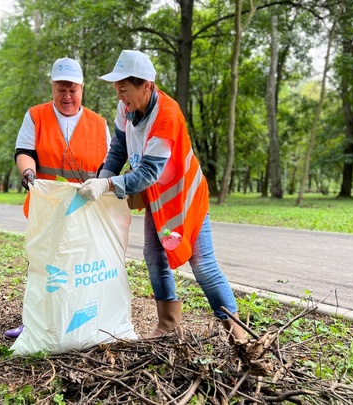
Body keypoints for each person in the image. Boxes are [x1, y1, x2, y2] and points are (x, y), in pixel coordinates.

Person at [78, 50, 246, 343]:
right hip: (159, 199)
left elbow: (147, 174)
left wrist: (106, 187)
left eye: (124, 89)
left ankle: (238, 333)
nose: (120, 96)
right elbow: (118, 148)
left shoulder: (167, 115)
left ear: (146, 84)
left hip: (185, 198)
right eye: (116, 89)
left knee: (202, 264)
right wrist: (103, 178)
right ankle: (168, 325)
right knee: (154, 256)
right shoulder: (127, 109)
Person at [4, 57, 111, 339]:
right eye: (61, 89)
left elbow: (109, 164)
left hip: (84, 208)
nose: (67, 96)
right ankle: (34, 323)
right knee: (42, 265)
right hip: (47, 207)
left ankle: (81, 322)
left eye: (72, 90)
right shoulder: (36, 116)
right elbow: (24, 151)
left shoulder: (99, 124)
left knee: (81, 266)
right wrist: (28, 173)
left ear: (81, 89)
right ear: (52, 87)